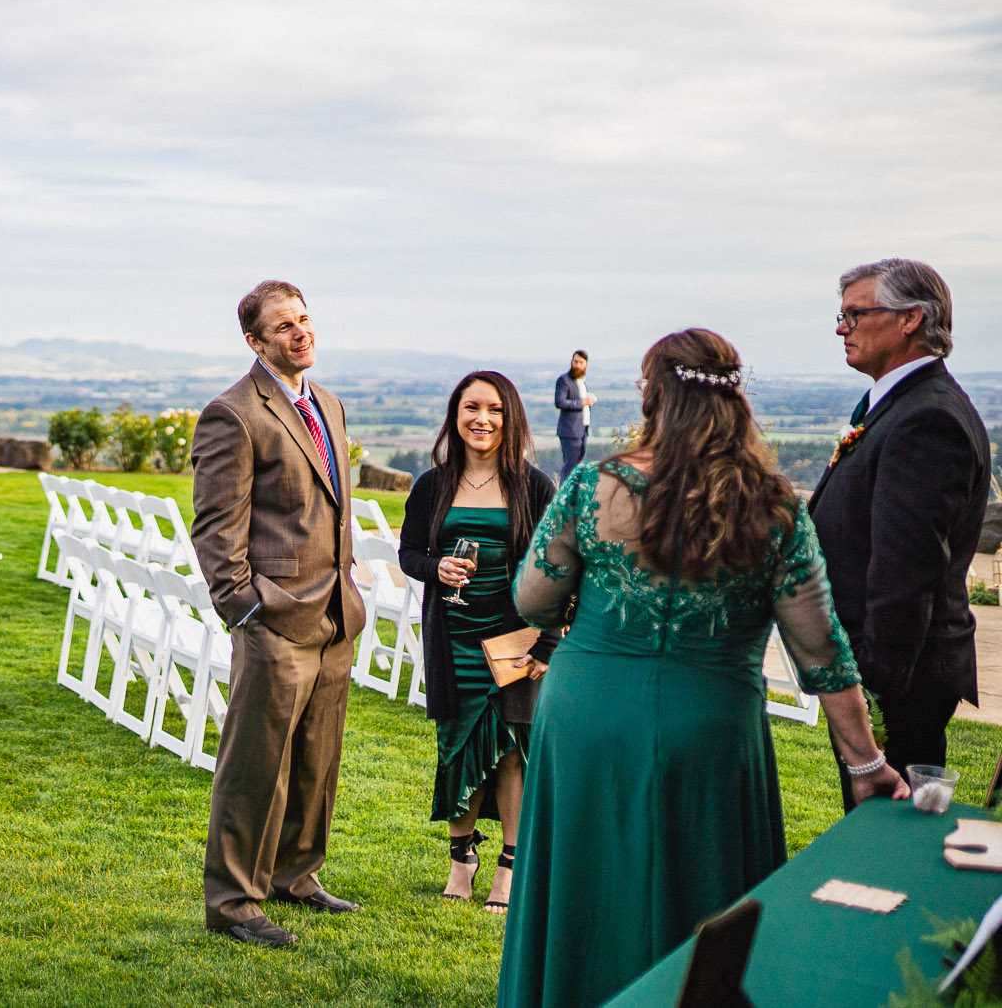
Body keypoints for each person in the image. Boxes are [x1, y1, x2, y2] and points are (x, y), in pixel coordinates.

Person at [498, 328, 905, 1008]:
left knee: (584, 892)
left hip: (589, 719)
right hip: (711, 727)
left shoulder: (590, 488)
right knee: (701, 894)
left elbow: (531, 600)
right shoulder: (774, 507)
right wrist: (865, 763)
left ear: (653, 396)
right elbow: (821, 649)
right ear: (735, 402)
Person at [192, 280, 368, 949]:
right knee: (255, 768)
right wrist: (248, 609)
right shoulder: (233, 413)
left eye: (304, 319)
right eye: (283, 326)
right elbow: (216, 530)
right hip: (274, 621)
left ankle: (297, 875)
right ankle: (234, 901)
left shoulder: (328, 403)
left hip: (335, 616)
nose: (301, 332)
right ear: (255, 341)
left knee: (317, 762)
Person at [810, 258, 989, 806]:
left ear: (910, 319)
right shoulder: (900, 404)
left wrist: (871, 683)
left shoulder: (926, 418)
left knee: (888, 826)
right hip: (886, 666)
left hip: (899, 677)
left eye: (855, 315)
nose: (842, 329)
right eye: (841, 317)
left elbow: (906, 569)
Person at [396, 371, 557, 913]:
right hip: (453, 636)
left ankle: (509, 867)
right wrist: (436, 567)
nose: (482, 419)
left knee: (511, 753)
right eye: (471, 407)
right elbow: (409, 553)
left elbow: (557, 570)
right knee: (455, 748)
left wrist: (548, 644)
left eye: (494, 409)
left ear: (511, 418)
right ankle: (461, 858)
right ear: (455, 415)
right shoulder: (431, 485)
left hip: (515, 639)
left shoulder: (536, 487)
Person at [551, 352, 592, 482]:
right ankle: (565, 492)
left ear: (586, 365)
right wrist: (582, 402)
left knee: (577, 467)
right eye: (575, 362)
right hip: (570, 431)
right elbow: (560, 402)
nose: (577, 365)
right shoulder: (564, 380)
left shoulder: (581, 382)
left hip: (582, 430)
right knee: (569, 468)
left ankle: (573, 491)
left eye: (581, 363)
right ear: (571, 362)